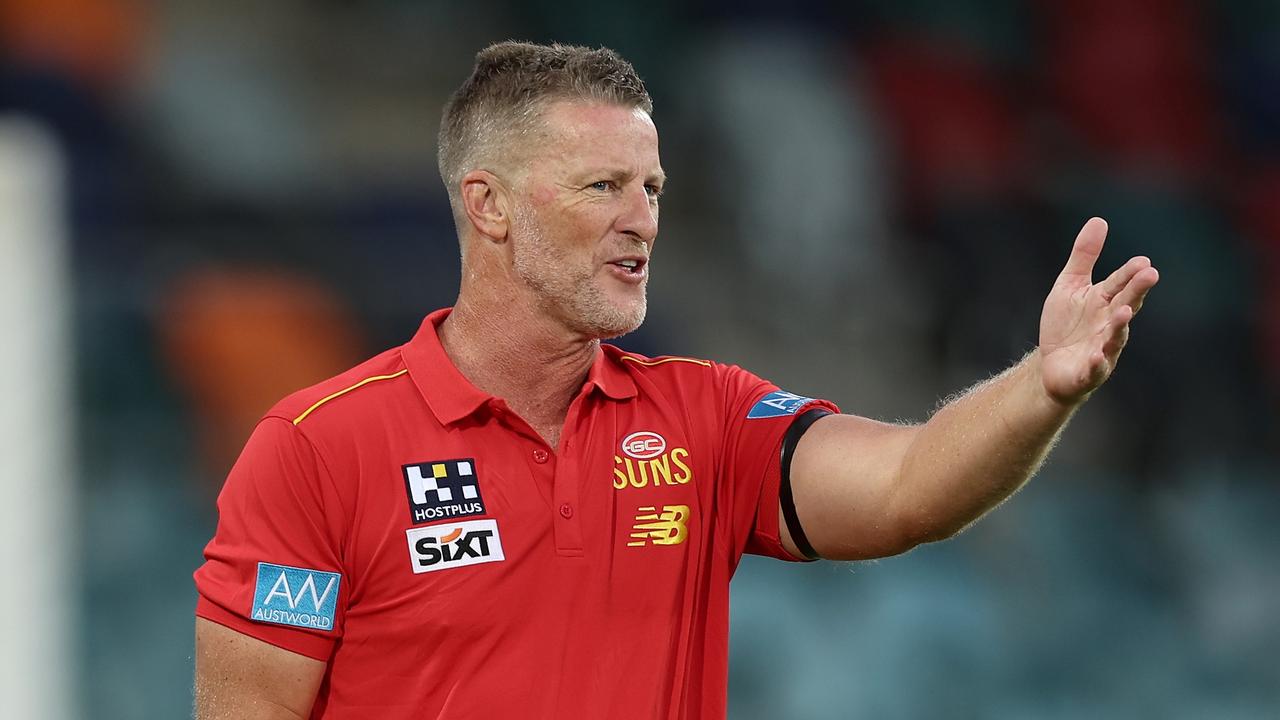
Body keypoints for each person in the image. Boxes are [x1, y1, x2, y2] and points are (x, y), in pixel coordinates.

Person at [192, 41, 1159, 720]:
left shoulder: (707, 417)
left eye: (651, 188)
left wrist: (1041, 388)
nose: (642, 220)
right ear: (486, 207)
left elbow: (907, 488)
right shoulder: (318, 446)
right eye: (601, 187)